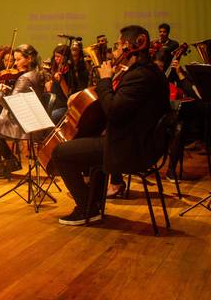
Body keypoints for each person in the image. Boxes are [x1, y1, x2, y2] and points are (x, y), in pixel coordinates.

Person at [51, 25, 170, 225]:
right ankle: (94, 201)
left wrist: (105, 79)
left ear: (130, 46)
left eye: (118, 46)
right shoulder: (148, 72)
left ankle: (86, 207)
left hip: (132, 147)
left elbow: (114, 111)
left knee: (60, 152)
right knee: (88, 144)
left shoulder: (140, 76)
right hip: (137, 140)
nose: (115, 52)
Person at [0, 44, 44, 179]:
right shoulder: (38, 73)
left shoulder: (24, 78)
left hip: (19, 121)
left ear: (29, 59)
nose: (15, 63)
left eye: (18, 59)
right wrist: (8, 90)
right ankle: (11, 162)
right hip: (30, 118)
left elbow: (9, 105)